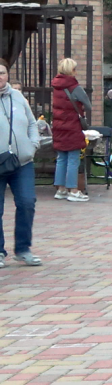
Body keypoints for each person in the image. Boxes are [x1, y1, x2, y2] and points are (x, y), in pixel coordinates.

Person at [0, 62, 42, 268]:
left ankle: (23, 250)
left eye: (2, 72)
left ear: (7, 75)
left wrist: (32, 145)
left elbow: (32, 123)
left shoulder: (17, 97)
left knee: (27, 202)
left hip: (22, 161)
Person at [50, 58, 91, 202]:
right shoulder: (75, 87)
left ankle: (60, 189)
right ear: (71, 70)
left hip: (59, 127)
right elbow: (88, 104)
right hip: (72, 126)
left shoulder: (56, 86)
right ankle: (73, 190)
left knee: (61, 159)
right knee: (73, 159)